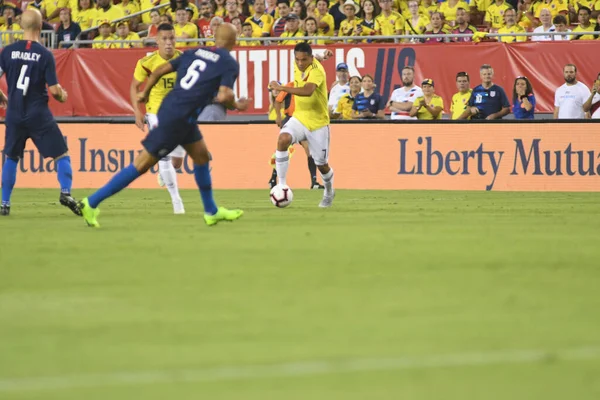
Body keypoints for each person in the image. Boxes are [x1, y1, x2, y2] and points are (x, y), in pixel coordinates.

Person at [79, 24, 244, 228]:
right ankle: (91, 202)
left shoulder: (194, 52)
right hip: (177, 118)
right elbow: (225, 95)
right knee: (141, 164)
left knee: (201, 156)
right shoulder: (228, 62)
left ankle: (211, 211)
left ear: (215, 38)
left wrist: (146, 92)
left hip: (179, 114)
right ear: (234, 42)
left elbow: (159, 71)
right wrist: (237, 104)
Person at [0, 10, 77, 217]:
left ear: (21, 26)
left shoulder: (7, 51)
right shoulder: (44, 54)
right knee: (62, 154)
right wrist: (62, 95)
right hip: (38, 113)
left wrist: (2, 95)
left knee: (11, 157)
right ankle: (65, 192)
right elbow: (53, 90)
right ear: (41, 26)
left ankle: (5, 203)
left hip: (14, 113)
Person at [268, 42, 335, 208]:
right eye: (297, 59)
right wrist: (322, 53)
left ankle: (329, 191)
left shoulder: (317, 71)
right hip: (299, 118)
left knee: (322, 164)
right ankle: (281, 184)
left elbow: (307, 91)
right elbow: (314, 55)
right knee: (283, 139)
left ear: (310, 59)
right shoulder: (301, 61)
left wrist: (282, 87)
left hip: (318, 123)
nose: (299, 63)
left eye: (303, 60)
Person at [130, 24, 186, 214]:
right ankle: (176, 201)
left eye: (172, 38)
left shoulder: (184, 59)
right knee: (164, 154)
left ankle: (165, 172)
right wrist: (137, 111)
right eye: (164, 39)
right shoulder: (147, 62)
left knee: (177, 162)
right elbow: (134, 86)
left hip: (178, 114)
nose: (169, 43)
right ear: (157, 40)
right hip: (155, 113)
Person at [268, 82, 324, 189]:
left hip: (304, 120)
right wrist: (278, 116)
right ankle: (273, 178)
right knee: (284, 149)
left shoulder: (310, 87)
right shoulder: (291, 85)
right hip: (291, 120)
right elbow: (278, 100)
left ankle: (314, 181)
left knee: (309, 149)